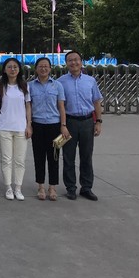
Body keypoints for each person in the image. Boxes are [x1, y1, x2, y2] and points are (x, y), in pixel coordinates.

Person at [58, 51, 103, 201]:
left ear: (81, 62)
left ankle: (86, 188)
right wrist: (62, 125)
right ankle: (71, 188)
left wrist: (98, 122)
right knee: (68, 157)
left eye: (76, 60)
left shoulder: (90, 81)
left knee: (86, 156)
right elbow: (60, 105)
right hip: (69, 122)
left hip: (87, 122)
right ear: (66, 63)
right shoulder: (61, 82)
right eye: (70, 60)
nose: (73, 63)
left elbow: (96, 101)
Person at [0, 58, 32, 201]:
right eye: (9, 67)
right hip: (4, 127)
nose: (12, 69)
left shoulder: (24, 86)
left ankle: (18, 188)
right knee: (6, 159)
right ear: (4, 70)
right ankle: (8, 187)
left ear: (19, 69)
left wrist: (29, 125)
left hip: (21, 128)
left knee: (20, 160)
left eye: (15, 67)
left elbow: (28, 106)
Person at [28, 57, 68, 201]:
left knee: (54, 157)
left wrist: (63, 125)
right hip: (37, 125)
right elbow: (29, 106)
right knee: (38, 157)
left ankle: (52, 187)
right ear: (36, 69)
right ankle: (40, 186)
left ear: (50, 68)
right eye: (40, 66)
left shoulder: (57, 86)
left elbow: (61, 107)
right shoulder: (30, 86)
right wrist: (29, 124)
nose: (43, 69)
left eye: (46, 66)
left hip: (54, 126)